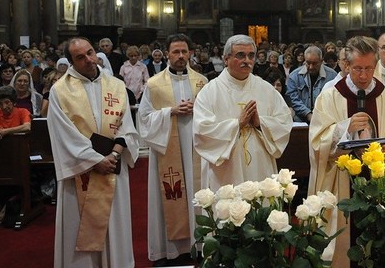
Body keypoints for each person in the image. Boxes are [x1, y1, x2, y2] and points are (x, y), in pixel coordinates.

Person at [309, 36, 385, 267]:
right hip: (341, 183)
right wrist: (344, 129)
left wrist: (380, 149)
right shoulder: (329, 97)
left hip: (381, 180)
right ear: (346, 65)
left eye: (368, 68)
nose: (364, 75)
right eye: (357, 69)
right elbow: (317, 142)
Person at [47, 37, 139, 268]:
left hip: (112, 168)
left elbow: (126, 125)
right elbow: (62, 134)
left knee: (114, 227)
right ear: (70, 62)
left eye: (90, 52)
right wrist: (94, 160)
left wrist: (114, 155)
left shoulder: (116, 85)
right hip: (82, 172)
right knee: (80, 231)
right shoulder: (60, 91)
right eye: (80, 57)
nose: (89, 59)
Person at [138, 34, 208, 265]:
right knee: (173, 194)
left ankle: (199, 245)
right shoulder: (154, 84)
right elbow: (144, 120)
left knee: (196, 196)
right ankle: (171, 250)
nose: (180, 56)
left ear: (190, 53)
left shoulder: (202, 82)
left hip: (196, 149)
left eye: (184, 52)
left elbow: (212, 115)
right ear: (167, 53)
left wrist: (196, 110)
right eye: (176, 52)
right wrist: (170, 112)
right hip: (167, 146)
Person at [193, 34, 292, 191]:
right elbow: (201, 132)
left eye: (251, 55)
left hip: (260, 167)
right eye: (240, 55)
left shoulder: (266, 89)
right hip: (226, 171)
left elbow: (284, 122)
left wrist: (260, 124)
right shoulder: (210, 92)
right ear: (226, 59)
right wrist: (237, 124)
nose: (247, 60)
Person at [286, 45, 337, 123]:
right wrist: (308, 114)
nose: (311, 67)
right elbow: (293, 99)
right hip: (300, 121)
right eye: (308, 63)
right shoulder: (294, 76)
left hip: (325, 120)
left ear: (321, 61)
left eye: (315, 63)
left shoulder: (332, 75)